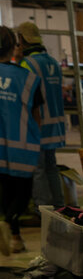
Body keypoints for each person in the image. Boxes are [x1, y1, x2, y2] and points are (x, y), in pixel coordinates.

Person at [0, 26, 43, 254]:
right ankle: (12, 230)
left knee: (4, 191)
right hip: (20, 149)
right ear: (14, 48)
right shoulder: (28, 79)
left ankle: (11, 231)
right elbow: (37, 118)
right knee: (20, 194)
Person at [16, 21, 66, 207]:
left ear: (21, 39)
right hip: (55, 125)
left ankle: (42, 209)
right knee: (51, 167)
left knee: (38, 169)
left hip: (37, 124)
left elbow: (25, 97)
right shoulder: (53, 62)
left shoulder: (27, 64)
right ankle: (60, 205)